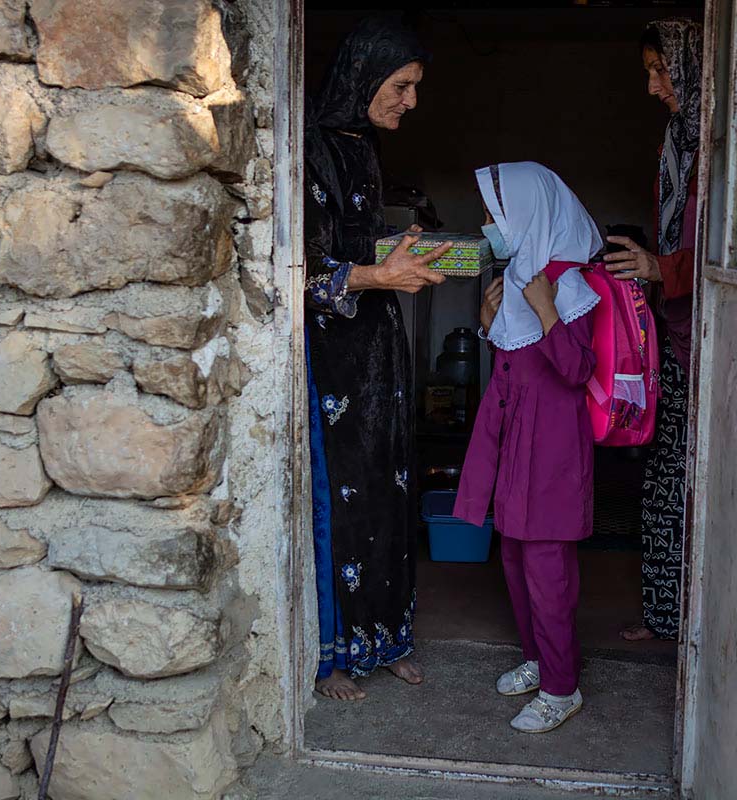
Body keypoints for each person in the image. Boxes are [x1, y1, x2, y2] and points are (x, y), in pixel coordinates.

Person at [305, 16, 456, 701]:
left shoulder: (361, 149)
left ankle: (386, 636)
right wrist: (376, 278)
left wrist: (404, 253)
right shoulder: (307, 151)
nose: (411, 101)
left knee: (392, 491)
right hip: (334, 357)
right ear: (365, 79)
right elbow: (299, 272)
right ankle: (336, 657)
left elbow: (353, 244)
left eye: (416, 88)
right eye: (402, 86)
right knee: (344, 498)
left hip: (378, 353)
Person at [455, 162, 601, 733]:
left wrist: (544, 310)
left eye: (496, 213)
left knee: (548, 567)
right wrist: (491, 325)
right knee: (514, 557)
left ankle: (563, 689)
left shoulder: (565, 282)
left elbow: (576, 369)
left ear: (527, 213)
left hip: (555, 448)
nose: (489, 223)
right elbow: (516, 367)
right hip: (519, 439)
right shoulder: (520, 276)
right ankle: (539, 661)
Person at [604, 19, 704, 642]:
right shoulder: (678, 141)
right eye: (650, 71)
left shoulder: (721, 148)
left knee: (703, 481)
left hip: (711, 339)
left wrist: (658, 267)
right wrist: (651, 271)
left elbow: (724, 250)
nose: (652, 86)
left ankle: (701, 630)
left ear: (690, 68)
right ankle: (666, 616)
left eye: (661, 70)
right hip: (674, 332)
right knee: (666, 476)